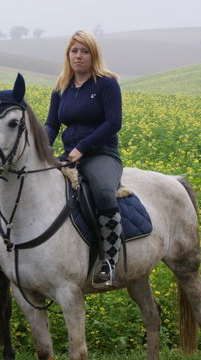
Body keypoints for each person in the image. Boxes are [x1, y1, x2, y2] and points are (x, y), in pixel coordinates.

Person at [45, 30, 123, 286]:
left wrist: (84, 147)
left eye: (84, 51)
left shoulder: (106, 84)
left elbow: (113, 123)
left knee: (102, 193)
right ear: (68, 55)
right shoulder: (61, 86)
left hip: (101, 154)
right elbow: (52, 125)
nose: (78, 56)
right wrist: (42, 151)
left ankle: (109, 260)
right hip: (70, 156)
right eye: (74, 51)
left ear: (94, 55)